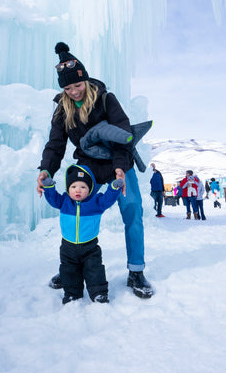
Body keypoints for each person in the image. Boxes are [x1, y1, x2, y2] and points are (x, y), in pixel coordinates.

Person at [37, 42, 154, 299]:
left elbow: (124, 134)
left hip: (117, 162)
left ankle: (136, 270)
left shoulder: (105, 99)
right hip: (87, 167)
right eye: (68, 88)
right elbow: (55, 144)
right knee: (75, 210)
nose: (74, 92)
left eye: (77, 85)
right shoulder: (62, 109)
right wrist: (46, 170)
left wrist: (121, 169)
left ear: (85, 80)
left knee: (132, 211)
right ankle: (72, 268)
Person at [42, 164, 123, 304]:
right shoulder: (64, 201)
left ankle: (99, 293)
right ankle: (72, 294)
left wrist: (114, 188)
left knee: (95, 269)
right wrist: (49, 187)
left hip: (90, 247)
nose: (78, 190)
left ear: (90, 189)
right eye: (73, 187)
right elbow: (53, 199)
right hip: (68, 247)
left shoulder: (95, 203)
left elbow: (108, 199)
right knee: (69, 271)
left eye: (83, 187)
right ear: (68, 189)